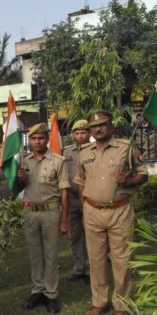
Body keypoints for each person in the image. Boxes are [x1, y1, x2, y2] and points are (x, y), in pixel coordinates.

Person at [75, 110, 148, 315]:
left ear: (111, 127)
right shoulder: (84, 152)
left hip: (119, 210)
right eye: (93, 127)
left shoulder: (126, 148)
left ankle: (122, 305)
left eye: (103, 125)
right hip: (92, 211)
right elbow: (81, 182)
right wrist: (85, 208)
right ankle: (100, 301)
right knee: (95, 259)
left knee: (121, 259)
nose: (98, 129)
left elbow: (142, 174)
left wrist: (128, 181)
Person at [17, 123, 69, 314]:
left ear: (47, 139)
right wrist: (20, 178)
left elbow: (64, 192)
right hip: (31, 213)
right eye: (33, 138)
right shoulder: (25, 161)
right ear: (29, 140)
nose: (37, 142)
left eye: (40, 138)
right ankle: (38, 290)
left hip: (50, 212)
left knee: (51, 254)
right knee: (35, 254)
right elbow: (20, 187)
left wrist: (64, 219)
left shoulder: (58, 161)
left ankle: (51, 294)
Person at [63, 120, 91, 283]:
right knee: (75, 235)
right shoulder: (67, 153)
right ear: (73, 134)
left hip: (89, 198)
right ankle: (79, 267)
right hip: (73, 200)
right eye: (77, 133)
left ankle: (90, 269)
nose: (80, 136)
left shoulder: (94, 151)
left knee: (91, 235)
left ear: (89, 134)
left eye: (83, 133)